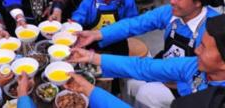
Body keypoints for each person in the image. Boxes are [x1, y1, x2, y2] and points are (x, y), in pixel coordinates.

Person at [74, 0, 224, 107]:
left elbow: (192, 76)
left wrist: (171, 82)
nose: (171, 1)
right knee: (133, 82)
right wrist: (97, 35)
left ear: (198, 2)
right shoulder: (170, 13)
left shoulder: (212, 32)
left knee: (145, 93)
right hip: (170, 68)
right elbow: (135, 24)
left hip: (182, 85)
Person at [68, 13, 225, 108]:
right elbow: (145, 67)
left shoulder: (214, 101)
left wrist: (90, 91)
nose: (197, 50)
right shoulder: (194, 65)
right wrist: (92, 57)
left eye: (204, 47)